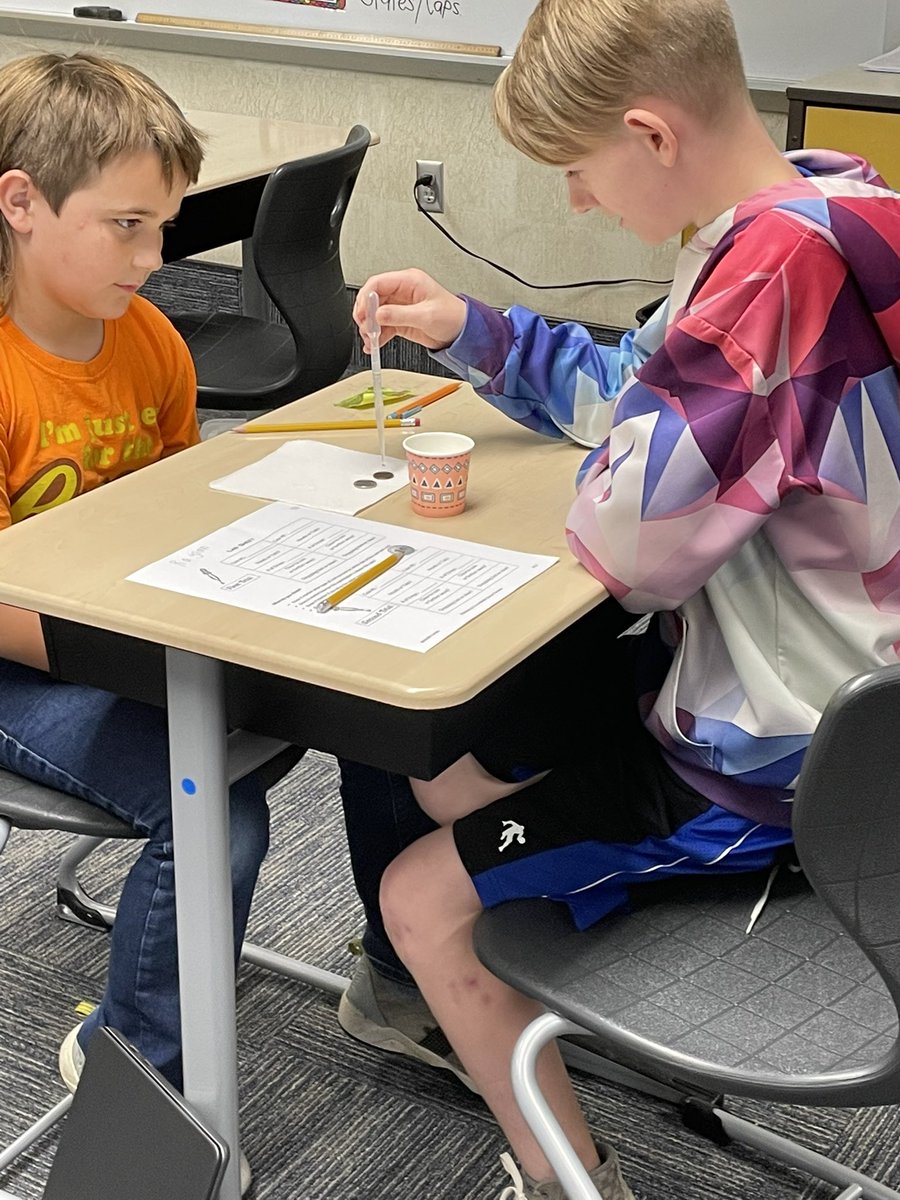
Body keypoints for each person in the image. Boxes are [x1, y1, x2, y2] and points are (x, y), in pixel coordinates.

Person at [340, 0, 900, 1195]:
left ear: (649, 134)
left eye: (580, 171)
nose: (581, 205)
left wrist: (631, 439)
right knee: (451, 763)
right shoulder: (834, 208)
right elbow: (635, 385)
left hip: (796, 769)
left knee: (417, 898)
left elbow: (627, 537)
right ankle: (565, 948)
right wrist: (472, 330)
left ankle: (565, 1181)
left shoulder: (763, 282)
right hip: (854, 708)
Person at [0, 52, 291, 1193]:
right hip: (23, 666)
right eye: (125, 226)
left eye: (161, 226)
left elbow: (173, 514)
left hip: (118, 640)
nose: (155, 259)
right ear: (20, 203)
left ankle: (398, 981)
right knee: (214, 803)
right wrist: (122, 644)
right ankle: (141, 1062)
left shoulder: (153, 344)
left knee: (345, 728)